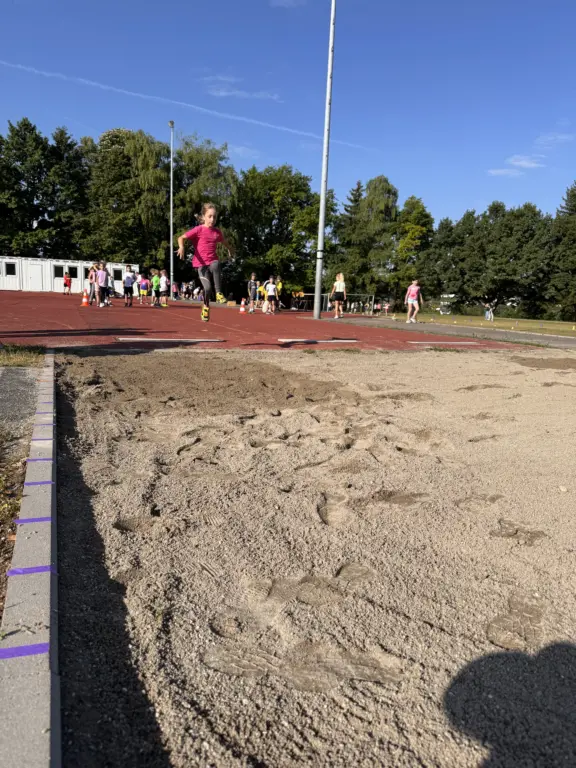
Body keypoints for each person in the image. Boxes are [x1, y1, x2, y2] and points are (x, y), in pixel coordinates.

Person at [177, 203, 234, 323]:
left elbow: (224, 242)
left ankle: (219, 293)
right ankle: (206, 307)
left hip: (212, 262)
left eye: (214, 217)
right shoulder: (198, 229)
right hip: (201, 265)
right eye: (210, 216)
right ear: (204, 216)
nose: (212, 219)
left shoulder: (217, 232)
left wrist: (230, 249)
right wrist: (181, 247)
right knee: (207, 289)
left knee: (216, 264)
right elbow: (180, 238)